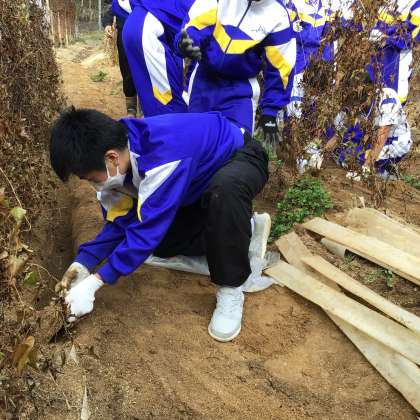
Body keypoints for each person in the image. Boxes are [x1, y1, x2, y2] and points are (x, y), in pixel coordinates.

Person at [50, 107, 272, 342]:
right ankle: (230, 230)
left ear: (112, 157)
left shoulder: (162, 156)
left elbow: (146, 231)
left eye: (93, 179)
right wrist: (84, 262)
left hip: (238, 158)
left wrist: (96, 282)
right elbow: (120, 221)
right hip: (194, 183)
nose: (94, 186)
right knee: (163, 244)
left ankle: (232, 283)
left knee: (224, 191)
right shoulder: (118, 156)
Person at [174, 0, 296, 148]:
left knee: (237, 148)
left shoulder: (278, 15)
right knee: (195, 145)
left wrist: (270, 112)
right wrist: (184, 44)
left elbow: (280, 68)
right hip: (203, 81)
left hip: (241, 90)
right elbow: (194, 26)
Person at [111, 0, 190, 116]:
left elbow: (120, 4)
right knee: (171, 103)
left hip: (136, 26)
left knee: (153, 98)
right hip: (149, 33)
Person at [323, 86, 412, 179]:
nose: (359, 107)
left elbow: (382, 136)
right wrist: (323, 152)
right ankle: (379, 165)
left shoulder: (388, 101)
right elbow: (342, 132)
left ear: (369, 94)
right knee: (347, 156)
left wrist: (365, 168)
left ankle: (387, 173)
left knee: (358, 162)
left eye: (360, 104)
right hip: (375, 138)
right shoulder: (362, 103)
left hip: (395, 142)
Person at [369, 0, 420, 105]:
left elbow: (409, 39)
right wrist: (375, 33)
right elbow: (379, 23)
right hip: (379, 55)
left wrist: (385, 38)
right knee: (373, 95)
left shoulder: (417, 5)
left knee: (394, 99)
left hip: (398, 60)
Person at [103, 0, 138, 117]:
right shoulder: (118, 3)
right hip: (124, 34)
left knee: (146, 70)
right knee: (127, 69)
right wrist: (107, 24)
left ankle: (146, 108)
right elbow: (111, 8)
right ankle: (131, 108)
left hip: (146, 32)